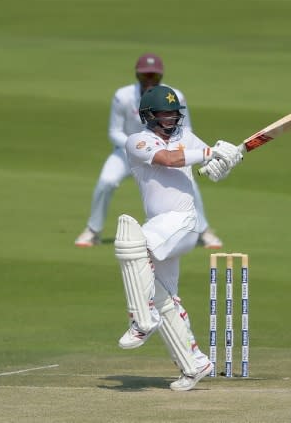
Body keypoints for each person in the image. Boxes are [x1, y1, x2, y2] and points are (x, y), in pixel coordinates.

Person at [114, 85, 242, 391]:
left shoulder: (187, 138)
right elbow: (170, 159)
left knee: (131, 242)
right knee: (163, 296)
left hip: (183, 223)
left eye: (174, 113)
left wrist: (224, 162)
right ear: (148, 115)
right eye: (164, 113)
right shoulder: (137, 141)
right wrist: (210, 153)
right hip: (161, 226)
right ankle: (194, 362)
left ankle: (141, 320)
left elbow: (208, 164)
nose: (171, 118)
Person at [74, 53, 224, 249]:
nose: (149, 80)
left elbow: (186, 130)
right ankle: (93, 230)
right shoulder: (123, 96)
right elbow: (114, 132)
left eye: (154, 76)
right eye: (145, 76)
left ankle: (204, 231)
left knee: (189, 185)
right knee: (107, 181)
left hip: (169, 149)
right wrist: (140, 147)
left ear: (161, 76)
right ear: (137, 76)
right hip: (126, 152)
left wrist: (217, 155)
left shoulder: (175, 96)